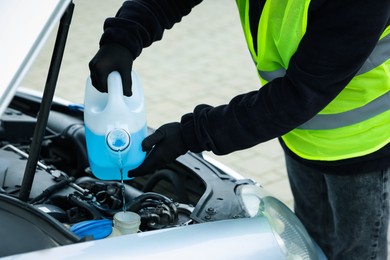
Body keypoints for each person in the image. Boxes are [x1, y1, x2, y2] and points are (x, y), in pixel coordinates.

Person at [89, 0, 390, 259]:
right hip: (301, 137)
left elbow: (296, 97)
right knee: (310, 240)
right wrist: (124, 36)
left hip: (361, 146)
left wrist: (191, 134)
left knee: (357, 251)